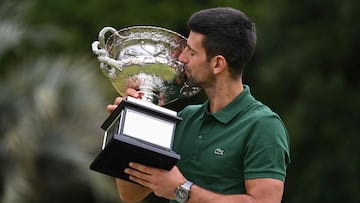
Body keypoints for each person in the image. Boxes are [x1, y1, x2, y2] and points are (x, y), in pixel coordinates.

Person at [107, 7, 290, 203]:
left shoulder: (263, 125)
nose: (181, 57)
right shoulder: (186, 118)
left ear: (218, 64)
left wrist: (181, 190)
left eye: (192, 52)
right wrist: (134, 118)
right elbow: (131, 194)